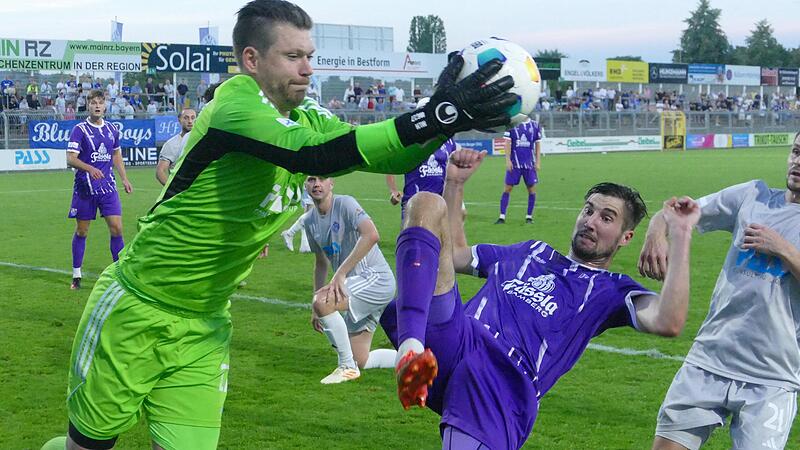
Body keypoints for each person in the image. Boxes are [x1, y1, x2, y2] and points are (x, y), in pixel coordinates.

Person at [47, 1, 516, 449]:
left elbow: (383, 150)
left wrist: (441, 120)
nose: (307, 68)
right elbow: (314, 156)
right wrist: (434, 115)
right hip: (138, 309)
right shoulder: (235, 107)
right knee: (86, 446)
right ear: (251, 59)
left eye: (309, 56)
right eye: (293, 56)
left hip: (205, 326)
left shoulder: (308, 115)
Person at [379, 148, 701, 450]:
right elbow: (450, 256)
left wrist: (680, 234)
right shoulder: (531, 251)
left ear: (626, 237)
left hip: (503, 379)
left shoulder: (609, 289)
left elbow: (668, 320)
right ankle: (411, 352)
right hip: (459, 336)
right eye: (588, 210)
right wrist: (454, 185)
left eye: (606, 217)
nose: (590, 221)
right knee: (426, 204)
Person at [640, 134, 800, 450]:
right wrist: (657, 230)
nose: (798, 161)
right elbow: (680, 211)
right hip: (709, 360)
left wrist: (784, 250)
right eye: (796, 151)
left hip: (772, 377)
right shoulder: (752, 196)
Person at [303, 175, 397, 383]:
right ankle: (415, 357)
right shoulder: (309, 221)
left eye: (321, 179)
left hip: (375, 278)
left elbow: (372, 235)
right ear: (305, 185)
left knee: (323, 302)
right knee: (360, 357)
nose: (316, 184)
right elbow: (320, 263)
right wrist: (314, 310)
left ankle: (346, 367)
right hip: (353, 285)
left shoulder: (345, 203)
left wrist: (340, 274)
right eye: (311, 179)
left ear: (331, 183)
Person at [65, 89, 133, 291]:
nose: (97, 105)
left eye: (100, 102)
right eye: (93, 102)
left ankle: (118, 274)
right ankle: (77, 274)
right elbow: (71, 158)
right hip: (85, 189)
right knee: (82, 231)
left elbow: (116, 155)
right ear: (88, 105)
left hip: (108, 188)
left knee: (117, 229)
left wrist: (124, 178)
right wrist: (90, 168)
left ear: (105, 106)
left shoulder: (112, 129)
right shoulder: (80, 129)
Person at [386, 98, 458, 221]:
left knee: (438, 240)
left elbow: (453, 170)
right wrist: (393, 190)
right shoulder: (409, 139)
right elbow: (390, 164)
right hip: (413, 202)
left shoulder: (449, 141)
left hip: (439, 203)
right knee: (411, 239)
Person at [496, 118, 543, 224]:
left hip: (529, 165)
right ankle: (502, 217)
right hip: (515, 164)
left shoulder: (535, 125)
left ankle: (529, 217)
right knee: (507, 188)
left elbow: (538, 144)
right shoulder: (512, 124)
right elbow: (507, 143)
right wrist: (507, 160)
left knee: (531, 190)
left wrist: (538, 161)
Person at [156, 108, 196, 185]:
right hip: (182, 191)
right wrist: (172, 189)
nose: (190, 121)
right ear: (179, 120)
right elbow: (160, 171)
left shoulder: (202, 141)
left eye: (193, 118)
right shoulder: (171, 144)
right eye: (186, 118)